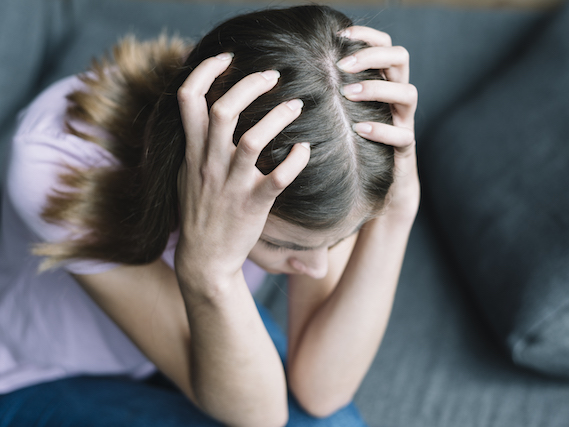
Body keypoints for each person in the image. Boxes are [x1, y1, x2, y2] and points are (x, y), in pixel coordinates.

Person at [0, 5, 418, 426]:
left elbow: (323, 391)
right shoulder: (53, 165)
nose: (316, 268)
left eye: (338, 240)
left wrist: (398, 211)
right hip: (41, 373)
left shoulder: (309, 142)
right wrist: (209, 272)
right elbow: (260, 418)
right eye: (281, 243)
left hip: (194, 324)